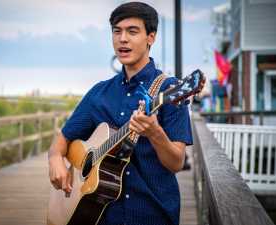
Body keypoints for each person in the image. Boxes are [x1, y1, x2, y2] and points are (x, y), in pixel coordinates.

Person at [48, 2, 193, 225]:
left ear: (150, 37)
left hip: (152, 214)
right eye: (117, 31)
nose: (122, 39)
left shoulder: (170, 91)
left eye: (132, 31)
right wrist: (55, 159)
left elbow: (176, 163)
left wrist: (155, 134)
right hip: (99, 216)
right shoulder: (99, 93)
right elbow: (62, 140)